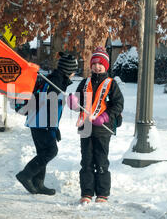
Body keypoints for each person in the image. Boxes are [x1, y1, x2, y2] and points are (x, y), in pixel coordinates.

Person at [13, 52, 78, 195]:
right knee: (51, 151)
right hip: (42, 122)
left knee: (43, 152)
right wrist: (52, 127)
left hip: (38, 121)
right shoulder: (57, 82)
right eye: (73, 70)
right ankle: (26, 175)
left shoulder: (54, 80)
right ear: (68, 70)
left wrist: (55, 127)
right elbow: (49, 105)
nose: (74, 73)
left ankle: (38, 183)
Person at [67, 46, 124, 204]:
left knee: (101, 161)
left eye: (100, 64)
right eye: (94, 64)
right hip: (85, 127)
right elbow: (78, 102)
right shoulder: (85, 83)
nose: (97, 66)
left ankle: (102, 194)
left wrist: (106, 116)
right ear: (90, 65)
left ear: (105, 66)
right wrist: (73, 103)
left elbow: (118, 104)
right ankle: (86, 193)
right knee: (86, 161)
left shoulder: (111, 84)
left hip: (102, 129)